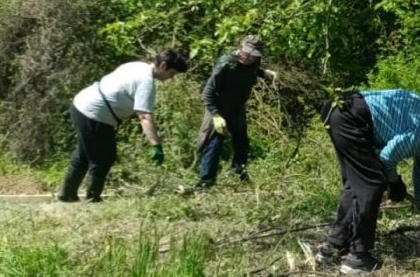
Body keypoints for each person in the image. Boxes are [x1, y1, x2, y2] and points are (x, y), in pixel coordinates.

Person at [315, 89, 420, 275]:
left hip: (340, 109)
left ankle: (331, 249)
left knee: (355, 186)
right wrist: (394, 181)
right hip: (351, 116)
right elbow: (388, 156)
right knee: (372, 184)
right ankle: (357, 258)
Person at [57, 48, 189, 203]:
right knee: (104, 157)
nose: (171, 78)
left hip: (82, 105)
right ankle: (92, 198)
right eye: (172, 73)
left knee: (84, 154)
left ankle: (67, 195)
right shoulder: (146, 82)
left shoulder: (137, 66)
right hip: (94, 113)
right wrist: (156, 145)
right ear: (163, 66)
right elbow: (144, 116)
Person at [195, 34, 277, 191]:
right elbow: (208, 92)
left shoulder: (253, 62)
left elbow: (248, 69)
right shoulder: (226, 63)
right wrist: (216, 115)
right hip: (218, 107)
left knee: (242, 142)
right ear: (240, 46)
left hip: (237, 107)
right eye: (246, 52)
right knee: (214, 142)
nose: (248, 57)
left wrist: (264, 73)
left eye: (253, 55)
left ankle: (238, 173)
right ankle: (205, 181)